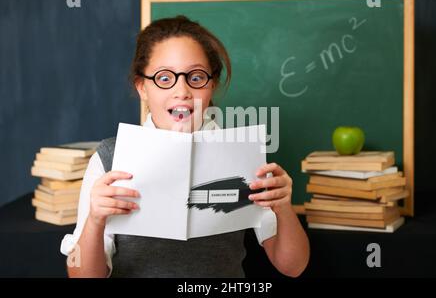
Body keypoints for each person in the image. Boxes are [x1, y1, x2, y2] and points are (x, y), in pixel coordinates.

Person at [60, 15, 309, 278]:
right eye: (165, 78)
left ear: (211, 84)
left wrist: (283, 208)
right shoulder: (109, 159)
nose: (182, 91)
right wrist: (95, 221)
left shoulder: (243, 155)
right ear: (142, 87)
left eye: (196, 77)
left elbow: (293, 266)